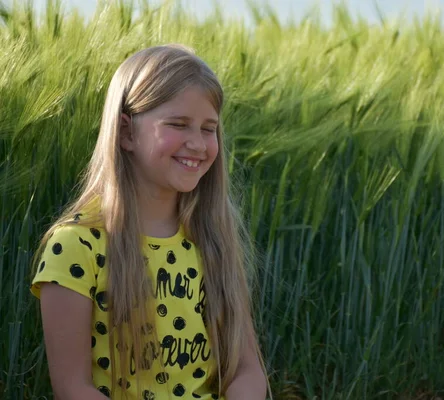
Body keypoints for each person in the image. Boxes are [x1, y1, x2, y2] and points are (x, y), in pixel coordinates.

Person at [29, 44, 269, 400]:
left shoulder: (212, 239)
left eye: (209, 128)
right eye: (178, 124)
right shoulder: (76, 247)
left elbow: (248, 369)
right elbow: (71, 387)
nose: (198, 144)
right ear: (126, 132)